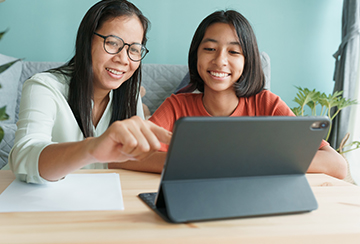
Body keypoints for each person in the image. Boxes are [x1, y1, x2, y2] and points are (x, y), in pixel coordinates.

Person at [110, 9, 348, 179]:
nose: (220, 60)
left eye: (234, 52)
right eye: (210, 49)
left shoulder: (267, 104)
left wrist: (250, 163)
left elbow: (337, 164)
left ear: (248, 61)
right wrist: (202, 164)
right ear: (196, 56)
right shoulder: (177, 106)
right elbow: (121, 157)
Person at [9, 0, 171, 184]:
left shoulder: (129, 95)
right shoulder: (43, 87)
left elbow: (129, 157)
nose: (123, 59)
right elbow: (23, 159)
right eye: (112, 43)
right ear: (86, 41)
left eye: (134, 49)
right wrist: (91, 149)